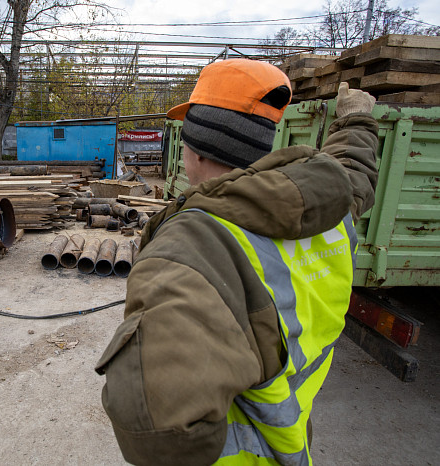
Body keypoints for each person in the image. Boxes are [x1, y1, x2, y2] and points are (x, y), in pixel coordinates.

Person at [95, 59, 379, 465]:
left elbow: (157, 436)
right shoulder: (325, 208)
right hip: (292, 444)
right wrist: (356, 122)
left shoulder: (191, 248)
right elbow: (354, 175)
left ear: (195, 150)